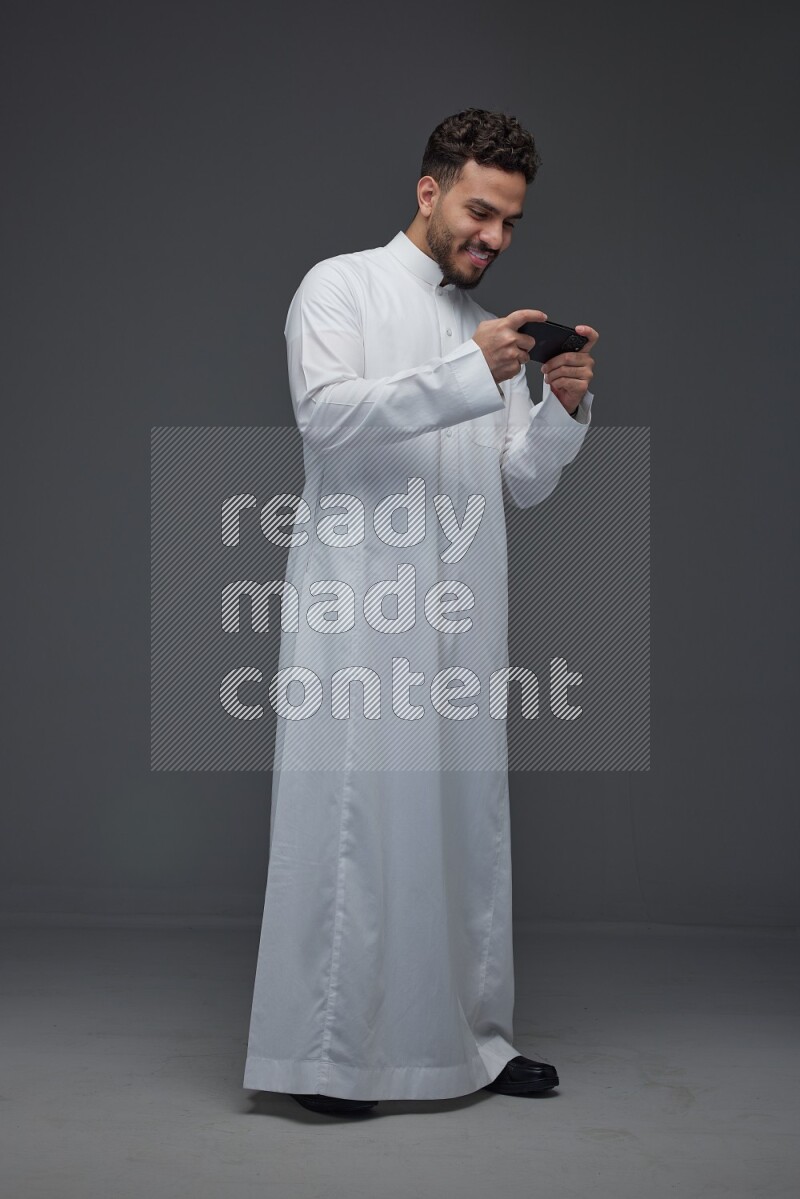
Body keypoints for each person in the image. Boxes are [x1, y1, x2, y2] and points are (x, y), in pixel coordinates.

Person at [243, 107, 597, 1117]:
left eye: (511, 222)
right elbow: (327, 412)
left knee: (466, 830)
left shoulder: (478, 331)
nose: (493, 236)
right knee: (355, 825)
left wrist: (561, 406)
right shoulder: (339, 284)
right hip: (361, 618)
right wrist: (466, 371)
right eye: (480, 212)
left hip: (459, 616)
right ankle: (326, 1056)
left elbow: (520, 479)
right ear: (428, 192)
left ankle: (473, 1044)